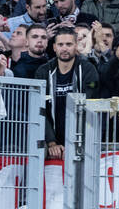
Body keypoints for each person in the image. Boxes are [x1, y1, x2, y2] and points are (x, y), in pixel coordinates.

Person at [35, 27, 102, 159]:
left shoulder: (88, 69)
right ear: (54, 47)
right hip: (52, 140)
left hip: (81, 139)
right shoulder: (43, 71)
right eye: (60, 44)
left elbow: (88, 108)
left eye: (69, 44)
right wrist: (51, 142)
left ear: (76, 45)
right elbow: (41, 110)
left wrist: (74, 143)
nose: (64, 48)